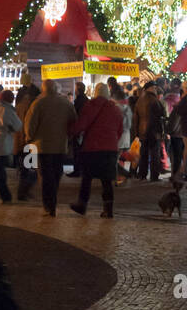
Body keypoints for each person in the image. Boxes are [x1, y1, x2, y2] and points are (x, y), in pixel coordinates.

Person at [69, 84, 124, 218]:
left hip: (92, 147)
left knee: (87, 178)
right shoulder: (115, 109)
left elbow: (82, 124)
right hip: (110, 149)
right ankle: (108, 209)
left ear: (95, 93)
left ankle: (82, 205)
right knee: (107, 181)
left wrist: (71, 132)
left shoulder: (90, 106)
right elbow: (120, 129)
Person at [24, 79, 76, 217]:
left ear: (43, 89)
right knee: (56, 174)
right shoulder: (66, 103)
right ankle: (52, 201)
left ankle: (49, 205)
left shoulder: (38, 103)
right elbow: (74, 122)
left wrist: (29, 138)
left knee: (45, 176)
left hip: (42, 146)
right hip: (60, 146)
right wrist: (68, 138)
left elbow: (30, 125)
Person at [13, 75, 40, 202]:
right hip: (29, 141)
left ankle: (23, 192)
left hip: (21, 141)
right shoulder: (32, 107)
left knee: (26, 168)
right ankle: (23, 192)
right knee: (30, 168)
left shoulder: (19, 105)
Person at [133, 82, 167, 181]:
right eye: (154, 87)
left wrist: (136, 132)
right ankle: (154, 176)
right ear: (150, 88)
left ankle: (142, 174)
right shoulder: (154, 100)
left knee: (143, 153)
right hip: (153, 131)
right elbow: (161, 115)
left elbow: (135, 118)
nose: (156, 89)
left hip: (142, 131)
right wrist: (161, 131)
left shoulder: (140, 100)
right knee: (154, 155)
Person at [0, 91, 23, 206]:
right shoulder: (6, 110)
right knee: (0, 172)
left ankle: (5, 196)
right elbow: (18, 126)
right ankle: (6, 197)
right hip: (1, 145)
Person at [66, 81, 90, 178]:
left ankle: (77, 171)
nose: (74, 90)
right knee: (81, 151)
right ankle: (80, 170)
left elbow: (75, 115)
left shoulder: (79, 101)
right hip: (84, 130)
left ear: (78, 90)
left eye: (75, 89)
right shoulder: (86, 100)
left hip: (79, 129)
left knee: (77, 151)